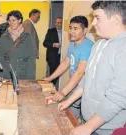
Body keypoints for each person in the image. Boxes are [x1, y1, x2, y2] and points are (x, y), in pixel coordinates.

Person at [58, 1, 126, 135]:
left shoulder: (123, 49)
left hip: (109, 129)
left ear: (116, 20)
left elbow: (118, 97)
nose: (93, 23)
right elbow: (85, 81)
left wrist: (89, 127)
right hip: (88, 121)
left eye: (97, 18)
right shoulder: (98, 45)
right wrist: (68, 102)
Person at [43, 16, 94, 118]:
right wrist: (50, 78)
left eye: (75, 29)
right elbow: (66, 62)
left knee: (70, 119)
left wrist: (63, 92)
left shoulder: (87, 47)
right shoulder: (72, 43)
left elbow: (79, 73)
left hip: (83, 90)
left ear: (84, 30)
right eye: (70, 28)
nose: (71, 32)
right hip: (73, 85)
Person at [0, 10, 35, 79]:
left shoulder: (27, 37)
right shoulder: (4, 36)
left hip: (22, 74)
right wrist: (0, 74)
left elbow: (31, 59)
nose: (11, 23)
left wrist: (31, 77)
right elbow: (0, 57)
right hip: (7, 73)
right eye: (9, 20)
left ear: (19, 20)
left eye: (13, 20)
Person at [43, 17, 63, 85]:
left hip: (62, 57)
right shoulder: (51, 31)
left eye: (59, 23)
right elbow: (45, 43)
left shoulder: (65, 33)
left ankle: (54, 87)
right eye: (56, 22)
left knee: (60, 73)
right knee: (53, 74)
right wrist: (54, 44)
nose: (57, 24)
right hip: (53, 57)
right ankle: (52, 88)